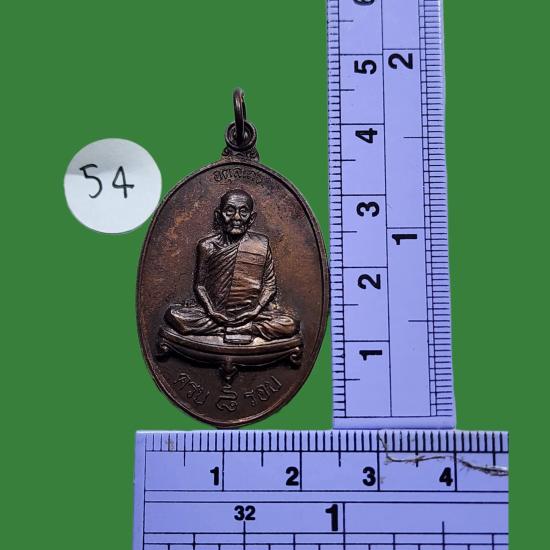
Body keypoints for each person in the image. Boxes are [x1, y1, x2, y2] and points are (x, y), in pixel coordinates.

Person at [164, 189, 299, 344]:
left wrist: (254, 311)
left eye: (243, 212)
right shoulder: (207, 246)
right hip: (215, 313)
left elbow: (270, 286)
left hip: (252, 314)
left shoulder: (260, 245)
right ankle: (241, 328)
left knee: (290, 324)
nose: (236, 217)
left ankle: (237, 328)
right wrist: (212, 312)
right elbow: (200, 286)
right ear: (218, 215)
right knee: (174, 315)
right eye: (230, 211)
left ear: (252, 218)